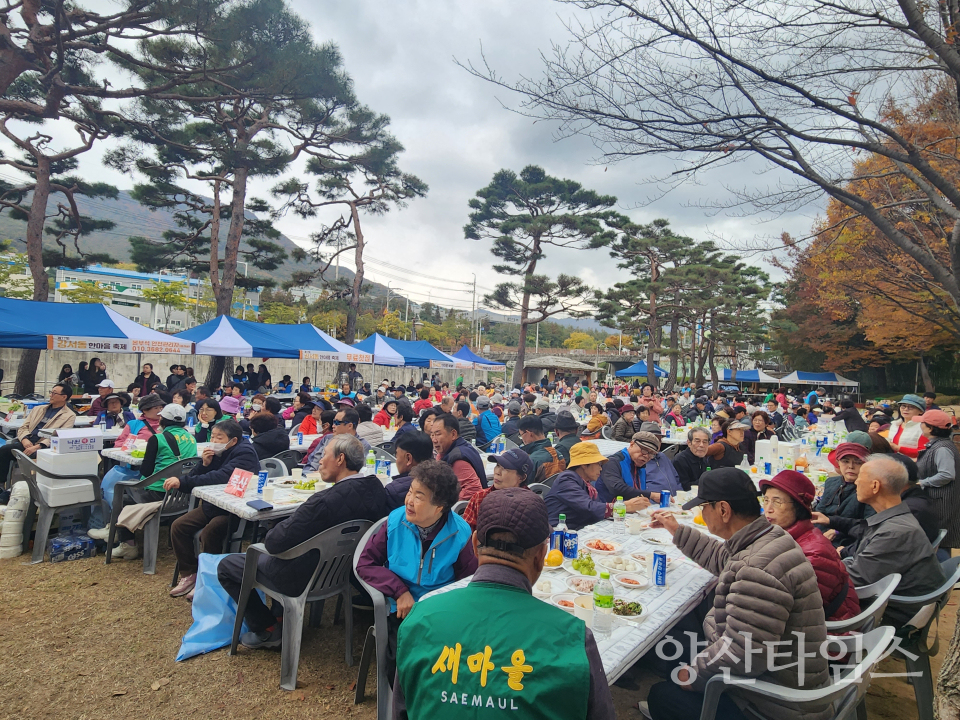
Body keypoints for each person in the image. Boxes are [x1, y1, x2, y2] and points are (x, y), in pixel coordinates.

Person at [393, 487, 615, 720]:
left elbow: (400, 711)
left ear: (475, 542)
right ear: (541, 555)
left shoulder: (418, 621)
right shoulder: (573, 639)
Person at [645, 469, 829, 720]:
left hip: (773, 703)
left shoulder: (757, 570)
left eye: (703, 508)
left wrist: (693, 675)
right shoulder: (768, 537)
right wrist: (676, 529)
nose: (702, 514)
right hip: (784, 671)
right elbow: (723, 558)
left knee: (662, 696)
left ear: (723, 510)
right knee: (684, 638)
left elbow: (745, 654)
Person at [215, 435, 388, 644]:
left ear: (340, 459)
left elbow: (274, 543)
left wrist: (279, 526)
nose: (319, 461)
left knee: (227, 566)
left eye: (324, 455)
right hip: (343, 572)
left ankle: (267, 628)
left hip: (301, 575)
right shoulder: (376, 489)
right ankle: (279, 616)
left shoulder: (322, 502)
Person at [357, 460, 476, 683]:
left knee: (449, 666)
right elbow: (365, 563)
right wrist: (399, 591)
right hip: (402, 611)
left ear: (439, 507)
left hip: (440, 611)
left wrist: (444, 606)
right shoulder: (395, 521)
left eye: (419, 496)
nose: (409, 501)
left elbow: (468, 580)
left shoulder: (459, 533)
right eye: (410, 491)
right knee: (403, 667)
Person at [840, 455, 946, 624]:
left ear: (875, 486)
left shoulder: (895, 532)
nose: (856, 482)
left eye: (860, 477)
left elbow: (855, 580)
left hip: (890, 613)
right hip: (888, 600)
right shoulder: (894, 519)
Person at [167, 420, 262, 599]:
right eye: (213, 436)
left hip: (236, 510)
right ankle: (189, 574)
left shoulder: (244, 453)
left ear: (233, 441)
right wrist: (204, 463)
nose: (214, 440)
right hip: (215, 505)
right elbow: (198, 475)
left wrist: (183, 482)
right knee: (179, 526)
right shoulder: (218, 451)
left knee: (210, 532)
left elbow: (221, 477)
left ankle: (209, 579)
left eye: (220, 437)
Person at [759, 470, 860, 622]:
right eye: (766, 500)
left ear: (798, 508)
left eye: (777, 502)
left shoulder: (812, 555)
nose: (768, 508)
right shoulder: (790, 536)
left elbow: (795, 611)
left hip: (832, 632)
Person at [102, 404, 200, 558]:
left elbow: (146, 471)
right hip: (182, 496)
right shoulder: (191, 438)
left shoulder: (157, 438)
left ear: (163, 420)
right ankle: (112, 531)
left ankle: (127, 544)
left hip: (157, 494)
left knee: (121, 497)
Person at [544, 442, 648, 529]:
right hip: (560, 532)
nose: (601, 468)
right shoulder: (566, 479)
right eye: (598, 464)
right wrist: (625, 507)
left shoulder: (586, 484)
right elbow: (589, 507)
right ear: (584, 465)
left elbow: (596, 510)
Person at [0, 383, 75, 484]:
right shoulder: (38, 409)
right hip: (26, 442)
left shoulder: (69, 415)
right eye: (51, 392)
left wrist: (37, 446)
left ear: (64, 397)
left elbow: (60, 436)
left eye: (54, 393)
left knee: (9, 451)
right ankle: (2, 485)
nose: (50, 395)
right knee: (4, 450)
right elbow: (23, 427)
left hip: (43, 447)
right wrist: (24, 439)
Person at [914, 409, 960, 556]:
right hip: (938, 501)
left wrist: (923, 482)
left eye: (922, 423)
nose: (920, 426)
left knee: (940, 540)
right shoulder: (939, 445)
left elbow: (947, 474)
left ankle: (944, 573)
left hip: (941, 503)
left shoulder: (942, 448)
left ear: (931, 428)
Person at [597, 431, 680, 503]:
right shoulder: (612, 462)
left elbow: (639, 492)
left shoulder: (640, 467)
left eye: (651, 454)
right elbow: (617, 488)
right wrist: (651, 495)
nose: (646, 456)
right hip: (610, 513)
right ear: (632, 444)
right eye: (644, 451)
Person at [811, 442, 873, 538]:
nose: (851, 466)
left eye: (857, 462)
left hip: (849, 539)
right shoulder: (831, 482)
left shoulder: (869, 489)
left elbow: (868, 525)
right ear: (838, 462)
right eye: (845, 461)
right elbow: (820, 512)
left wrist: (837, 532)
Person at [462, 448, 533, 530]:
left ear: (522, 477)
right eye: (498, 465)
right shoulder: (480, 497)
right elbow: (466, 535)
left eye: (505, 468)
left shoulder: (530, 503)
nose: (497, 472)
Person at [431, 413, 485, 500]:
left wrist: (445, 504)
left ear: (453, 434)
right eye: (432, 435)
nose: (434, 439)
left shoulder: (458, 459)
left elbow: (473, 489)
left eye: (438, 434)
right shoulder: (454, 449)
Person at [303, 408, 372, 472]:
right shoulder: (327, 439)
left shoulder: (362, 445)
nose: (333, 426)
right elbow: (312, 463)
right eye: (333, 422)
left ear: (350, 426)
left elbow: (361, 471)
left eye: (337, 423)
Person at [384, 431, 435, 510]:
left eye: (397, 456)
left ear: (408, 458)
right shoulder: (442, 479)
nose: (397, 460)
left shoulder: (393, 491)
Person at [516, 415, 566, 483]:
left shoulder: (531, 461)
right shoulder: (559, 455)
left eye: (521, 435)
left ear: (529, 433)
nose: (522, 439)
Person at [672, 426, 711, 491]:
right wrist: (707, 480)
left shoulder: (703, 458)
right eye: (697, 441)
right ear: (689, 443)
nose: (701, 445)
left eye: (705, 442)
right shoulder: (680, 460)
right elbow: (684, 487)